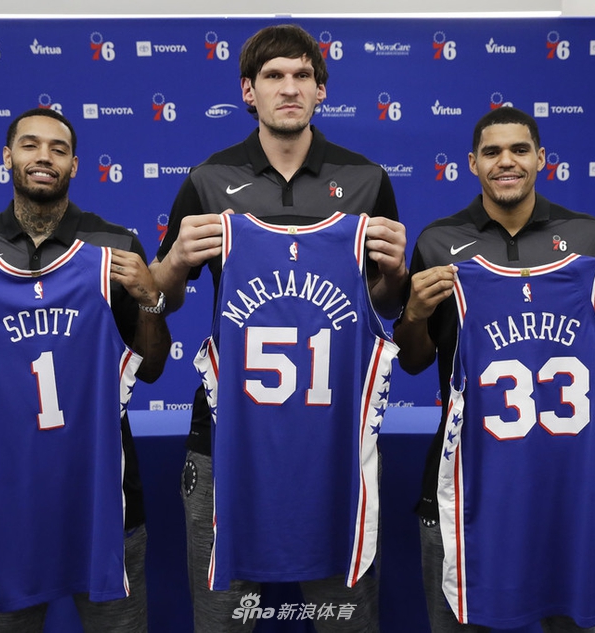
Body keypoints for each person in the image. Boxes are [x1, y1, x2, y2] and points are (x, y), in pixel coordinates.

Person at [149, 24, 407, 632]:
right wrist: (174, 262)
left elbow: (385, 306)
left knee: (346, 620)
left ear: (321, 90)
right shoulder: (208, 179)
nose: (289, 88)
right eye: (273, 76)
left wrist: (396, 273)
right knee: (222, 620)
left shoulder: (365, 179)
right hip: (226, 439)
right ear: (249, 91)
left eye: (302, 76)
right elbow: (160, 298)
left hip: (334, 440)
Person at [0, 107, 170, 632]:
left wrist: (151, 302)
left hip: (103, 500)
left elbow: (150, 369)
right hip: (3, 503)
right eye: (30, 145)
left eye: (58, 149)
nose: (43, 157)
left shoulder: (114, 248)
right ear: (7, 157)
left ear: (74, 165)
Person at [393, 107, 595, 632]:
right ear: (472, 163)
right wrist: (413, 315)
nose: (506, 161)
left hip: (564, 482)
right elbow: (415, 361)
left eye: (519, 150)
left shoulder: (586, 237)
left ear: (541, 158)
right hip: (468, 477)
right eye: (492, 152)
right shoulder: (439, 242)